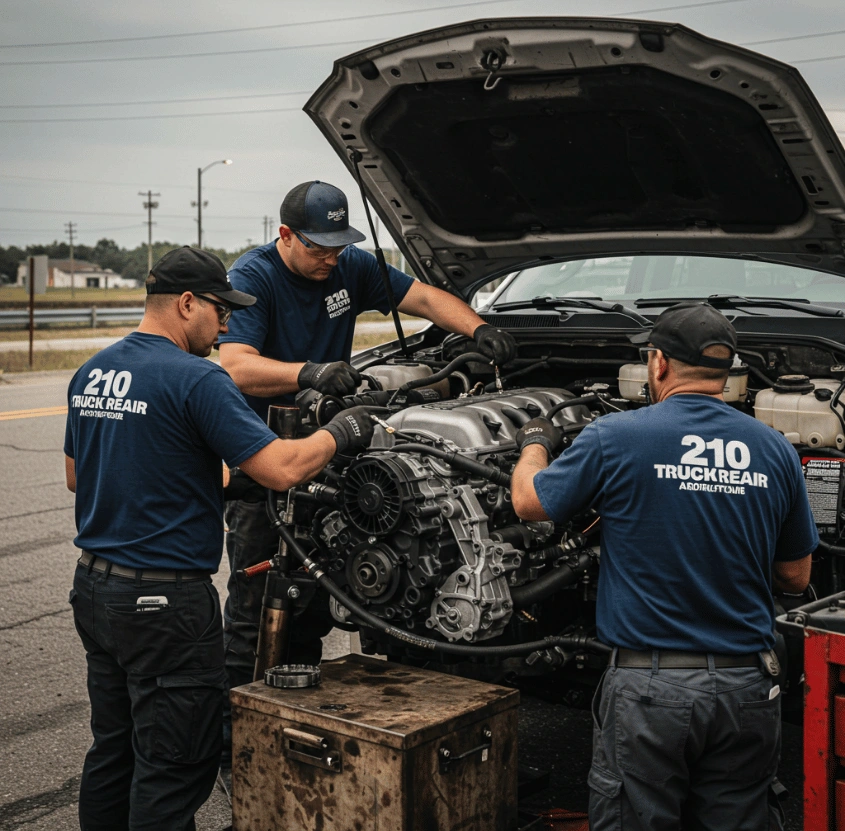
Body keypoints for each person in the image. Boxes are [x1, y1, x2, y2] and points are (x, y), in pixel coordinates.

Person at [64, 246, 378, 831]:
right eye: (220, 310)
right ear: (187, 304)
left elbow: (79, 475)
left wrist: (213, 481)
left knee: (114, 750)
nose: (227, 325)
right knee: (173, 765)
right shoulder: (198, 378)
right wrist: (342, 433)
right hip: (165, 606)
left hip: (95, 592)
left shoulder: (95, 369)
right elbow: (283, 468)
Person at [216, 181, 517, 728]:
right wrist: (305, 372)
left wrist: (481, 328)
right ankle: (238, 740)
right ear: (285, 235)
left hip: (333, 450)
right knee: (260, 604)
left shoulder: (348, 265)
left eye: (338, 245)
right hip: (269, 455)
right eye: (318, 247)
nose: (331, 257)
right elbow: (234, 364)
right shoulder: (254, 276)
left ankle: (331, 718)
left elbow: (423, 298)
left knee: (345, 590)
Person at [509, 302, 817, 831]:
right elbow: (796, 577)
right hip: (747, 689)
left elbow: (529, 505)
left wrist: (534, 445)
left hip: (651, 694)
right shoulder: (775, 448)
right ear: (728, 372)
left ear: (657, 364)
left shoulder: (616, 436)